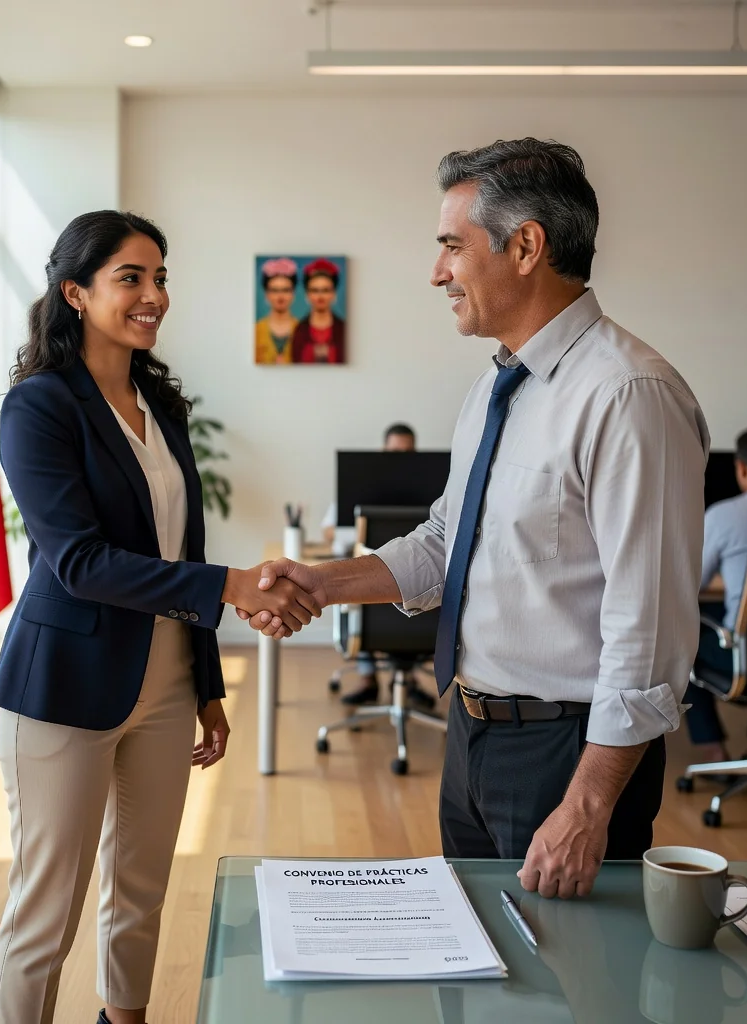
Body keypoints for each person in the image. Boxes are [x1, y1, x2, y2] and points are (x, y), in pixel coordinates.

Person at [244, 139, 709, 899]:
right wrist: (323, 582)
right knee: (486, 972)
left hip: (570, 754)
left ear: (526, 246)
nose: (437, 272)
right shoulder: (499, 386)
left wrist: (589, 803)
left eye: (452, 246)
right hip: (469, 735)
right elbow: (445, 541)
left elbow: (649, 627)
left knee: (571, 989)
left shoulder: (628, 395)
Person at [0, 211, 320, 1024]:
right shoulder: (38, 407)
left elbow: (179, 544)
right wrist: (238, 583)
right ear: (75, 293)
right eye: (130, 278)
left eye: (160, 277)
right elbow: (80, 562)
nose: (152, 295)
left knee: (140, 891)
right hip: (65, 687)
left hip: (167, 683)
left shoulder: (160, 403)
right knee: (46, 914)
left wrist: (205, 684)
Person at [321, 423, 435, 710]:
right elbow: (329, 530)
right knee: (360, 590)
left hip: (413, 585)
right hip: (370, 581)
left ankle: (406, 682)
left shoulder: (432, 492)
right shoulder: (361, 485)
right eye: (395, 452)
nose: (400, 460)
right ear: (383, 451)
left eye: (408, 454)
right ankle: (368, 680)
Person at [684, 425, 747, 763]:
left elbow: (690, 584)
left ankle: (714, 749)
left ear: (741, 467)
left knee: (682, 635)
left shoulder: (725, 516)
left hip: (744, 662)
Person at [291, 259, 346, 364]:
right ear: (307, 294)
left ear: (333, 294)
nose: (320, 296)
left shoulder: (343, 329)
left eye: (325, 290)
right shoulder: (299, 330)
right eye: (315, 290)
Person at [255, 257, 299, 364]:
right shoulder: (255, 331)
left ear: (293, 294)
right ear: (266, 294)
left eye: (286, 290)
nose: (280, 296)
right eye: (274, 290)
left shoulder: (303, 330)